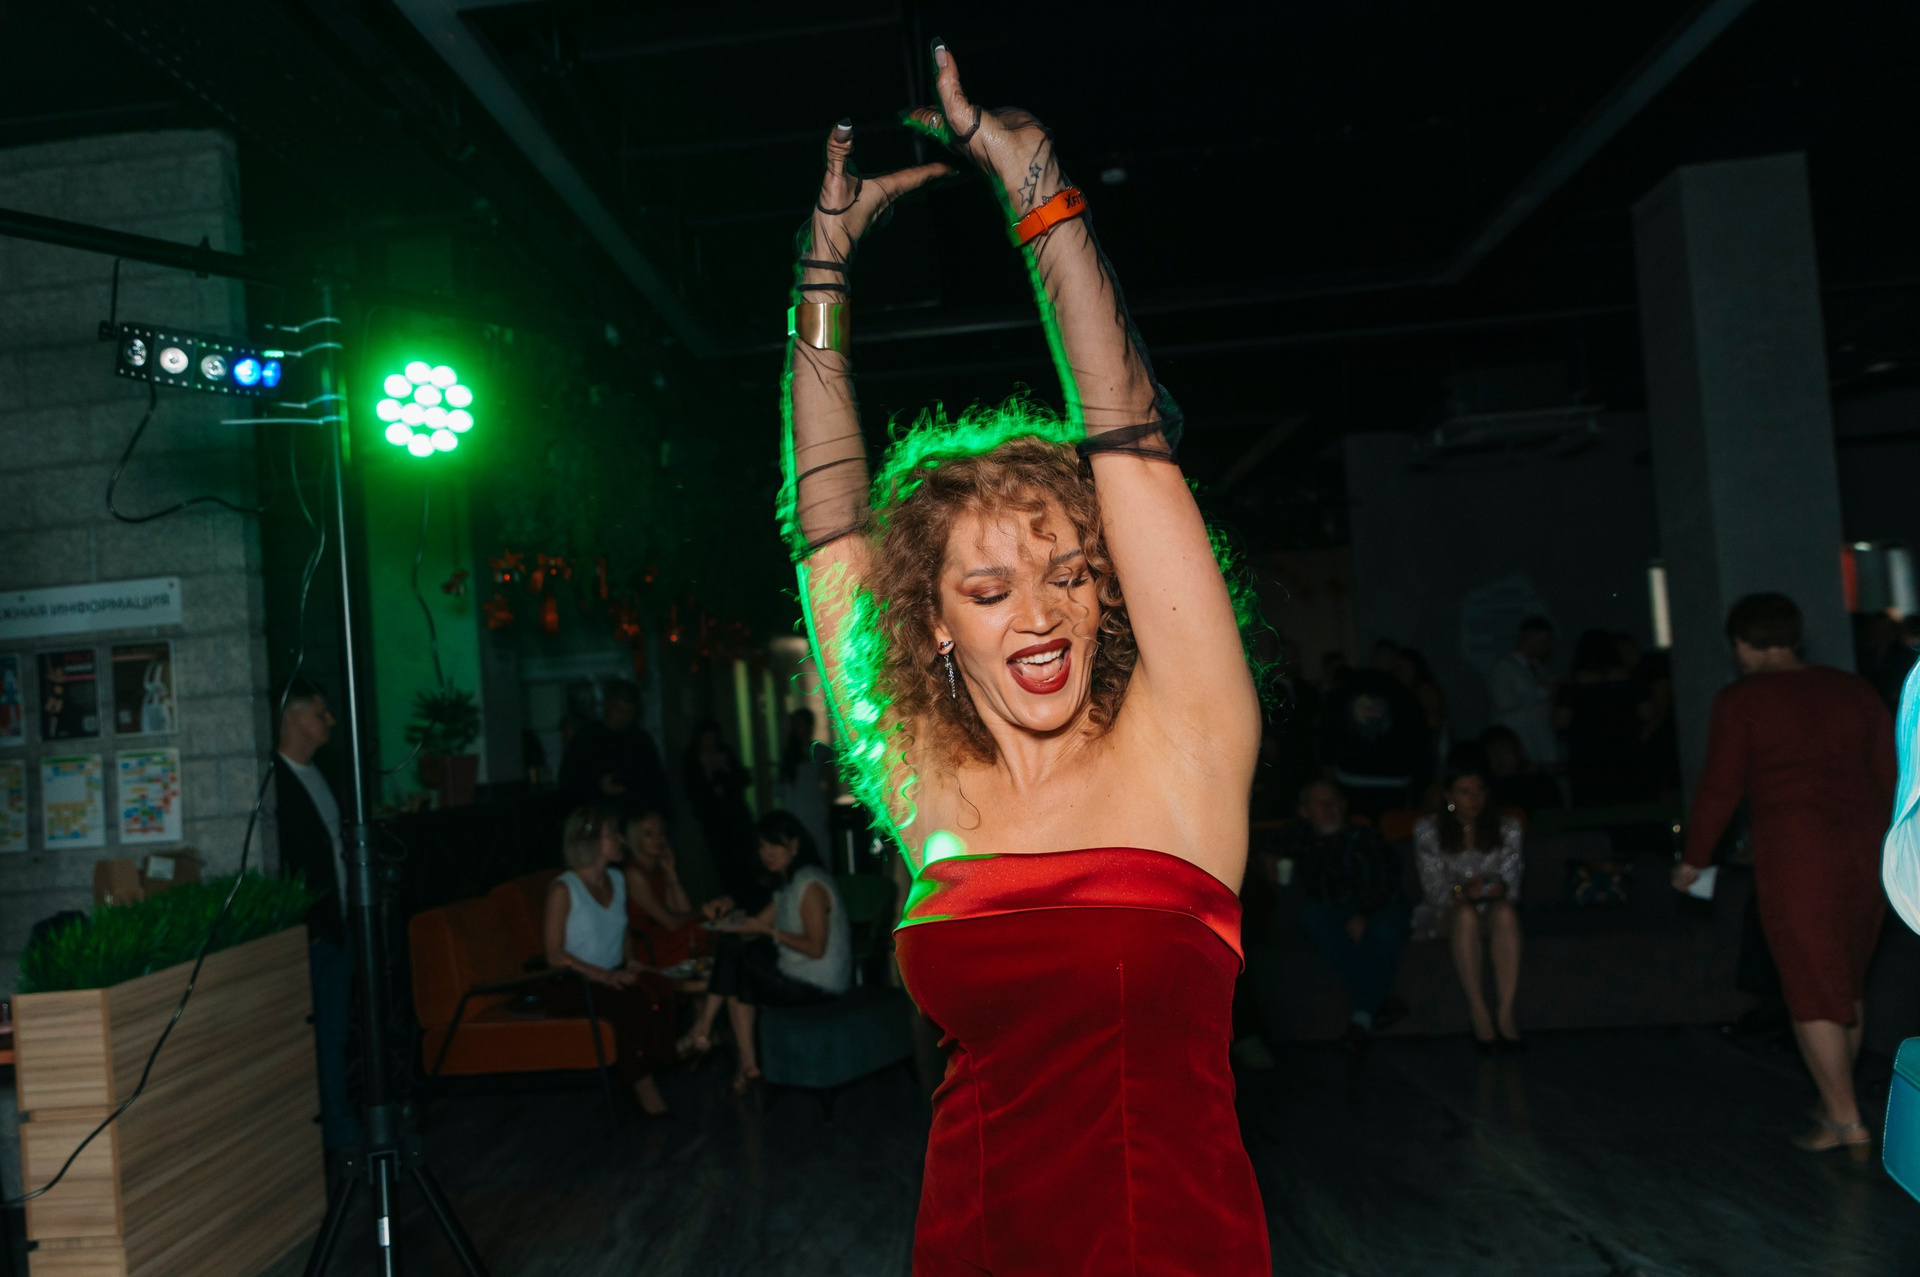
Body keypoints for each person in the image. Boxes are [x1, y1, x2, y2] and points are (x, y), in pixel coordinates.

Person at [779, 43, 1269, 1274]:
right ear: (935, 621)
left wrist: (1040, 191)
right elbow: (831, 530)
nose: (1040, 615)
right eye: (991, 591)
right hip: (970, 1239)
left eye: (1071, 574)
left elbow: (1130, 440)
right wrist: (823, 269)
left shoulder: (1190, 739)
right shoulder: (924, 779)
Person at [1672, 593, 1896, 1158]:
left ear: (1744, 644)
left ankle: (1845, 1121)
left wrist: (1695, 858)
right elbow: (1892, 773)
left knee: (1809, 984)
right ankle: (1833, 1101)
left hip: (1799, 853)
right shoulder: (1854, 690)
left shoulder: (1743, 698)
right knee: (1846, 980)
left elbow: (1720, 787)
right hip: (1869, 852)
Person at [679, 810, 851, 1094]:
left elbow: (815, 948)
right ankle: (745, 1065)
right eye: (762, 846)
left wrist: (768, 932)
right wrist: (725, 917)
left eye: (774, 844)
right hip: (798, 974)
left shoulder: (809, 883)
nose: (767, 852)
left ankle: (705, 1031)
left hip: (820, 983)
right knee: (734, 957)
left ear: (794, 845)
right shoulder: (787, 886)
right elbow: (751, 928)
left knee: (737, 969)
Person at [272, 679, 361, 1152]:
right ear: (293, 718)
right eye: (319, 713)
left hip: (336, 928)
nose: (329, 721)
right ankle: (332, 1137)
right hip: (313, 935)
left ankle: (340, 1131)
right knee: (318, 1039)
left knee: (334, 1036)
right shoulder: (276, 782)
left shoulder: (319, 776)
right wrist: (304, 927)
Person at [544, 806, 676, 1117]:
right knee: (630, 1001)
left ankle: (668, 1054)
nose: (621, 840)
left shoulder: (616, 879)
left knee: (661, 985)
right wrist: (603, 976)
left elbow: (622, 928)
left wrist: (630, 961)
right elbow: (554, 955)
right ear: (590, 841)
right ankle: (647, 1093)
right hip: (574, 982)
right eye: (613, 835)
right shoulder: (564, 889)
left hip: (612, 972)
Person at [1277, 781, 1409, 1051]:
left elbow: (1387, 882)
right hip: (1331, 912)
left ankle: (1361, 1018)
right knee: (1311, 916)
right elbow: (1264, 841)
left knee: (1383, 930)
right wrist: (1270, 858)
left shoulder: (1367, 837)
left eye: (1333, 800)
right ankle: (1378, 1001)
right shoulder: (1300, 841)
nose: (1328, 808)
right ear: (1305, 812)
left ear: (1344, 805)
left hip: (1376, 907)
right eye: (1319, 803)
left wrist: (1362, 914)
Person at [1413, 761, 1526, 1051]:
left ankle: (1505, 1013)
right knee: (1465, 915)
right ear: (1449, 795)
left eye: (1479, 790)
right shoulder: (1428, 830)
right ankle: (1479, 1012)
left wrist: (1498, 888)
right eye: (1465, 791)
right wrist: (1462, 891)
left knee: (1505, 912)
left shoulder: (1507, 827)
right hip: (1447, 912)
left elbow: (1513, 884)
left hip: (1491, 908)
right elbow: (1434, 890)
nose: (1474, 798)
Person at [1320, 640, 1432, 820]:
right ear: (1394, 661)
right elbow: (1420, 743)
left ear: (1371, 659)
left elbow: (1328, 734)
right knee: (1392, 832)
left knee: (1357, 832)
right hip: (1395, 782)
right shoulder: (1405, 694)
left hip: (1351, 779)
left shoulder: (1344, 689)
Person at [1554, 628, 1645, 806]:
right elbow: (1646, 713)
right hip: (1625, 752)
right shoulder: (1628, 680)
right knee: (1628, 805)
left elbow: (1560, 721)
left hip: (1586, 757)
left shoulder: (1572, 685)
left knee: (1592, 808)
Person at [557, 680, 672, 819]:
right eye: (618, 711)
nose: (623, 717)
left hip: (635, 817)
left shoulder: (641, 740)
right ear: (607, 705)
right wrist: (598, 786)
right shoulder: (587, 736)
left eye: (629, 712)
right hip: (599, 817)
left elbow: (657, 784)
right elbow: (568, 779)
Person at [684, 720, 766, 912]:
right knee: (726, 867)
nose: (710, 743)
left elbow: (744, 778)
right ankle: (736, 905)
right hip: (714, 824)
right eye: (706, 739)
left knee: (747, 863)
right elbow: (693, 792)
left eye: (713, 738)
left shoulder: (724, 753)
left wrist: (726, 770)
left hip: (737, 819)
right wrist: (706, 771)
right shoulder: (692, 759)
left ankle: (753, 905)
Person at [622, 809, 709, 969]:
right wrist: (703, 910)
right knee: (699, 931)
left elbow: (683, 911)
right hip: (646, 943)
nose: (657, 839)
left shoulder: (659, 868)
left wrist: (671, 873)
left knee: (701, 928)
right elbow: (671, 922)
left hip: (664, 935)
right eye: (648, 834)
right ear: (636, 839)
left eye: (660, 833)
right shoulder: (634, 873)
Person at [1488, 616, 1557, 770]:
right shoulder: (1504, 667)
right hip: (1519, 745)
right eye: (1544, 640)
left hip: (1540, 745)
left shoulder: (1537, 667)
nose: (1548, 646)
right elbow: (1504, 703)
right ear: (1529, 637)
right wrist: (1543, 692)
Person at [771, 707, 835, 864]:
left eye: (801, 723)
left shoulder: (821, 751)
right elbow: (779, 787)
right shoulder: (789, 754)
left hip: (815, 810)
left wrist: (830, 810)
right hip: (795, 811)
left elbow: (830, 784)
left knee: (819, 851)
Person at [1480, 725, 1561, 815]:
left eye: (1504, 751)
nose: (1500, 759)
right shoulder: (1489, 788)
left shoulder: (1539, 780)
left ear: (1515, 750)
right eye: (1493, 754)